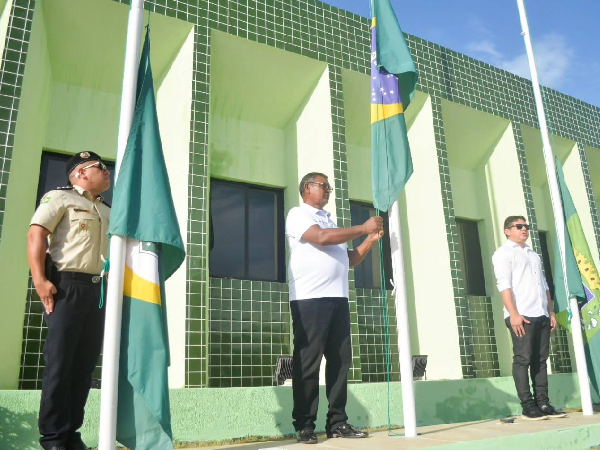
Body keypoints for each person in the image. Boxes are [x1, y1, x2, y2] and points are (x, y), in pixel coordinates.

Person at [286, 172, 384, 444]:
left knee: (341, 362)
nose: (328, 190)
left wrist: (369, 241)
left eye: (330, 187)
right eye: (323, 186)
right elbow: (322, 238)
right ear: (307, 188)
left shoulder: (330, 220)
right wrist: (362, 228)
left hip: (337, 299)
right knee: (308, 363)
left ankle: (337, 423)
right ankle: (305, 425)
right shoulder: (298, 214)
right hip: (309, 300)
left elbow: (349, 259)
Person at [27, 151, 111, 450]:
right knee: (60, 364)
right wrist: (40, 280)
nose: (107, 172)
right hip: (66, 287)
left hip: (97, 291)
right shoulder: (59, 198)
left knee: (83, 366)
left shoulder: (106, 209)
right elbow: (36, 234)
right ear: (80, 173)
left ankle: (71, 434)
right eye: (100, 167)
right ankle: (53, 438)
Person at [492, 215, 567, 421]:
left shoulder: (533, 254)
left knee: (541, 361)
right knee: (523, 359)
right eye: (519, 226)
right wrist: (514, 314)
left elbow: (544, 285)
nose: (524, 229)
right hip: (521, 315)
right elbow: (504, 285)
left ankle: (542, 402)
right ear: (508, 230)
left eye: (526, 226)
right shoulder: (503, 253)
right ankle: (527, 405)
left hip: (541, 314)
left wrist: (550, 312)